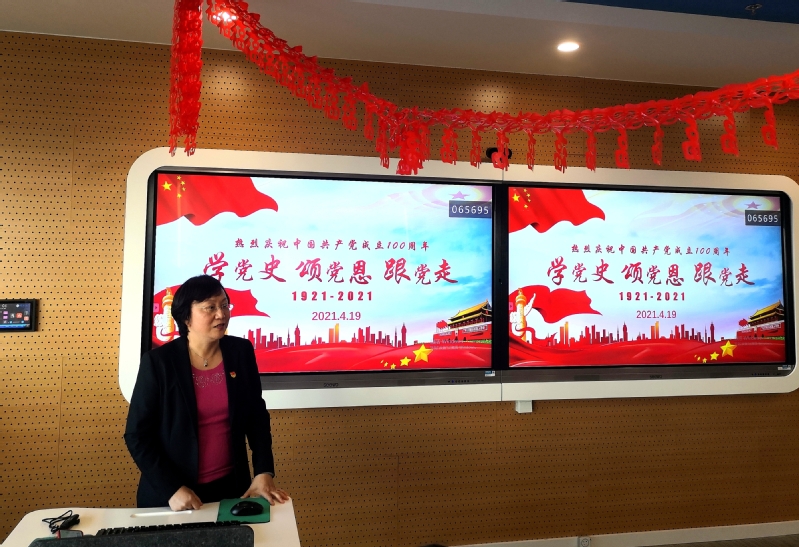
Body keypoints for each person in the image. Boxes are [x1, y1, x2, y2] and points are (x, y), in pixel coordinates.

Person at [124, 275, 289, 510]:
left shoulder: (240, 352)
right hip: (176, 494)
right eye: (210, 307)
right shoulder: (159, 362)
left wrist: (263, 471)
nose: (221, 314)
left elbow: (256, 417)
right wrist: (171, 488)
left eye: (224, 305)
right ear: (186, 317)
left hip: (231, 489)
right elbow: (137, 435)